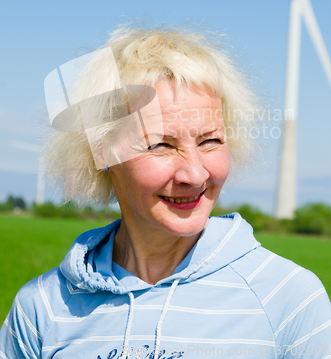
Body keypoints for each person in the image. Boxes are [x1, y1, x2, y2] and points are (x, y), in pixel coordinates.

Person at [0, 24, 330, 359]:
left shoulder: (288, 299)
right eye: (161, 145)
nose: (195, 173)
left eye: (210, 140)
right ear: (102, 153)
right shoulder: (41, 308)